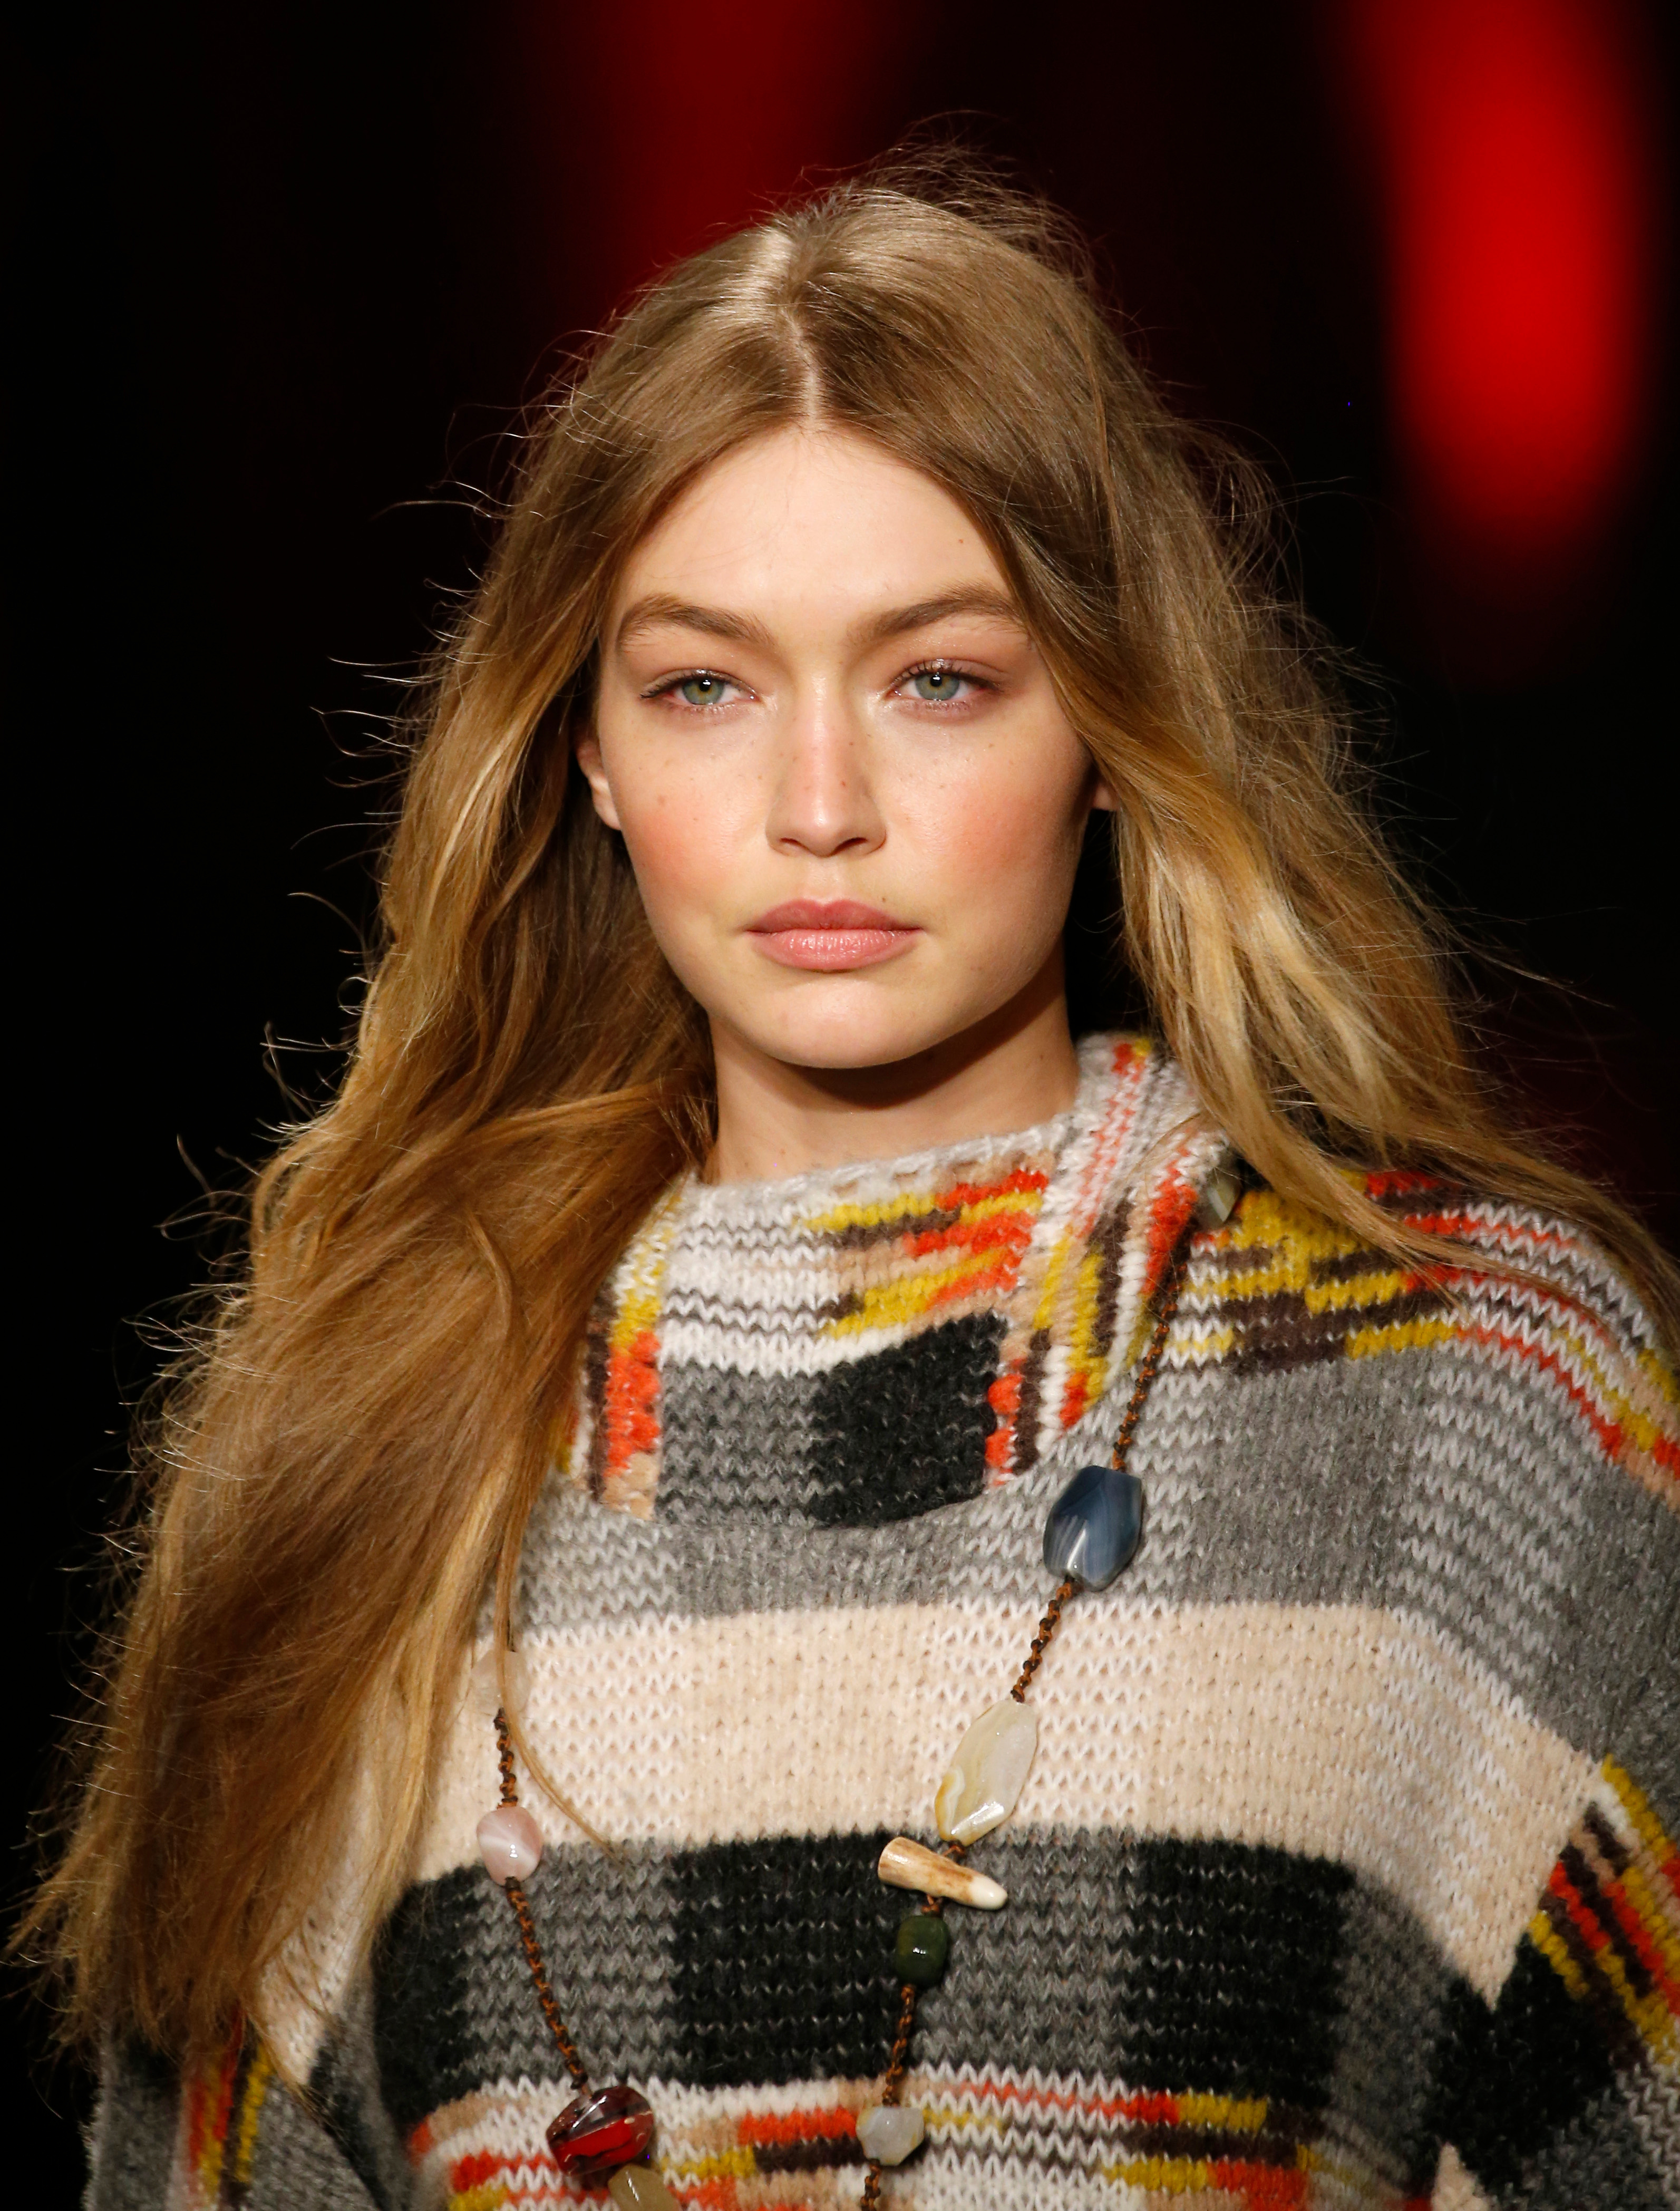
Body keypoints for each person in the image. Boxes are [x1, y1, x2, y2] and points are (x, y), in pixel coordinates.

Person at [32, 168, 1678, 2211]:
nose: (819, 808)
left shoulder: (1476, 1400)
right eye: (702, 685)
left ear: (1107, 721)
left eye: (938, 679)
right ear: (588, 751)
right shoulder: (364, 1442)